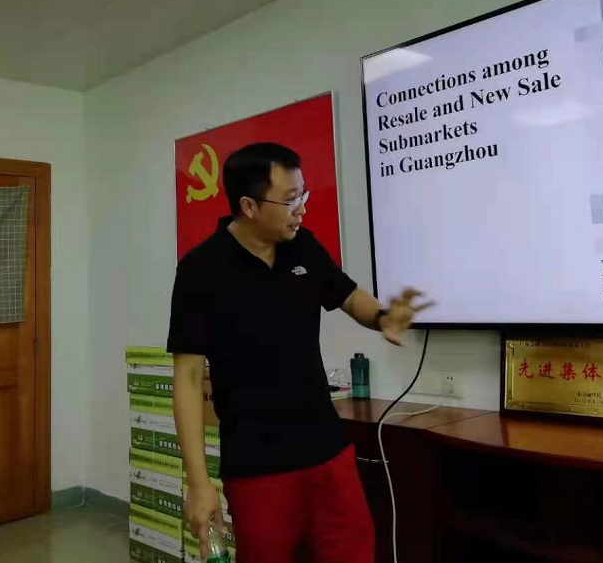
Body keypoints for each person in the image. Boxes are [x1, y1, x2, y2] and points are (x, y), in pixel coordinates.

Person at [168, 142, 429, 563]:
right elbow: (188, 379)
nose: (301, 209)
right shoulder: (202, 269)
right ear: (249, 206)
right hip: (258, 468)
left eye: (302, 194)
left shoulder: (301, 246)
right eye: (290, 200)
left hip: (328, 453)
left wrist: (383, 318)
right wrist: (198, 485)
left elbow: (348, 296)